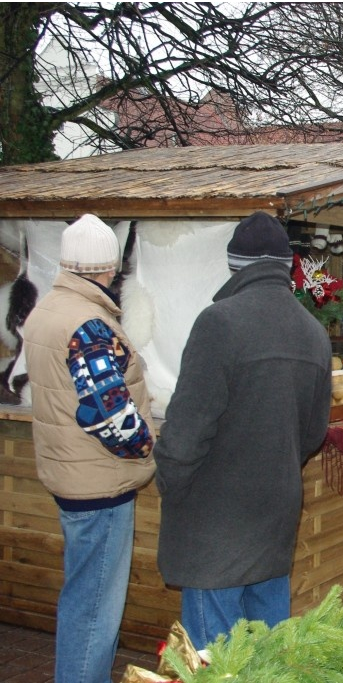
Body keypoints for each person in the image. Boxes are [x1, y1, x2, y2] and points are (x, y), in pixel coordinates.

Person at [154, 211, 333, 644]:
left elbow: (185, 431)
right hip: (274, 514)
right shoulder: (313, 333)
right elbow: (312, 433)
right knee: (268, 656)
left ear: (236, 266)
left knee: (212, 661)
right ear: (286, 266)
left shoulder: (219, 323)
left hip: (214, 524)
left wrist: (171, 483)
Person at [22, 214, 155, 683]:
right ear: (107, 267)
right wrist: (144, 444)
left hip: (72, 476)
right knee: (95, 607)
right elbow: (106, 411)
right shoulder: (88, 324)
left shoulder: (48, 309)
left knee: (82, 596)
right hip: (100, 485)